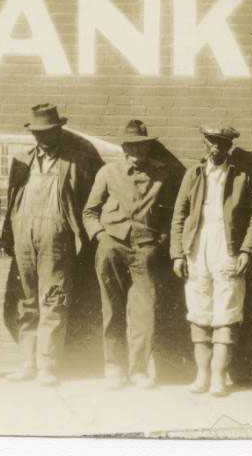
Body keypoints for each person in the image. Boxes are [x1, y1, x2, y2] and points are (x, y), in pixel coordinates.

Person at [2, 103, 102, 387]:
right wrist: (10, 234)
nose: (42, 137)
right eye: (37, 132)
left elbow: (96, 197)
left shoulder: (76, 161)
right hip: (24, 238)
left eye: (47, 131)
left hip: (57, 240)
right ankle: (27, 362)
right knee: (26, 301)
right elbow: (12, 201)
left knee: (54, 300)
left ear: (58, 130)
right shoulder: (23, 161)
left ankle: (48, 365)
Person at [83, 120, 177, 390]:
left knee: (143, 311)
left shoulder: (163, 175)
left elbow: (172, 213)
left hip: (145, 250)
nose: (138, 150)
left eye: (143, 145)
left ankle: (138, 370)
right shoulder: (108, 173)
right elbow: (89, 211)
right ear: (124, 147)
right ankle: (114, 367)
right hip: (112, 246)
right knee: (111, 308)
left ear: (148, 147)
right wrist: (101, 237)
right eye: (132, 145)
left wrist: (161, 240)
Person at [171, 125, 252, 397]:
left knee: (226, 312)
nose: (216, 148)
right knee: (198, 310)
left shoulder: (242, 177)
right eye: (211, 142)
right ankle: (202, 375)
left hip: (227, 249)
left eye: (222, 143)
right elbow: (179, 215)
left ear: (230, 145)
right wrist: (177, 252)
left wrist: (246, 250)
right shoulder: (193, 175)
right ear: (205, 142)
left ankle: (219, 377)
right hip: (197, 248)